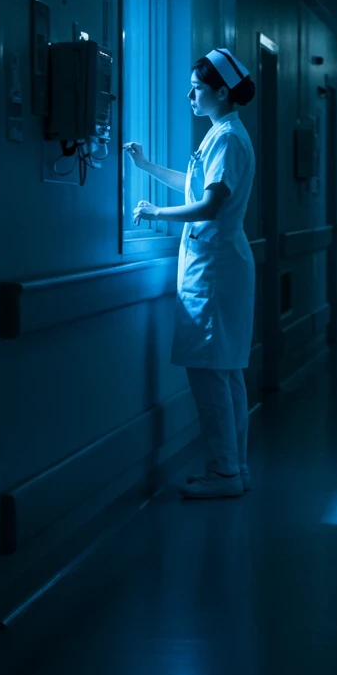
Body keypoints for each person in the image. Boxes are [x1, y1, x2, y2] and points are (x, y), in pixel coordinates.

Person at [124, 48, 257, 499]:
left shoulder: (228, 138)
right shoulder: (223, 133)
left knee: (210, 373)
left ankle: (224, 474)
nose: (190, 96)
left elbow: (210, 204)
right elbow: (195, 186)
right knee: (225, 372)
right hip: (220, 263)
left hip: (216, 267)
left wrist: (155, 213)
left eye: (197, 89)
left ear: (221, 92)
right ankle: (235, 468)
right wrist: (146, 167)